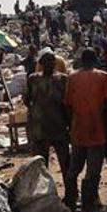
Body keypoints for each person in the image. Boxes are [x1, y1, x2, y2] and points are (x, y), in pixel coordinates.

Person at [63, 48, 107, 212]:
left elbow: (67, 105)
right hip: (97, 129)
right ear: (95, 60)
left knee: (74, 168)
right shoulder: (104, 77)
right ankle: (89, 205)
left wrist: (70, 126)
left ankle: (70, 201)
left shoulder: (72, 78)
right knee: (93, 170)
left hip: (78, 129)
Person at [25, 49, 70, 180]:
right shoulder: (33, 79)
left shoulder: (62, 79)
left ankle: (70, 194)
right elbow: (27, 99)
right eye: (47, 61)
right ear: (41, 63)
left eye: (52, 61)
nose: (50, 63)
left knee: (65, 162)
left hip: (57, 125)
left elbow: (67, 103)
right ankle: (46, 193)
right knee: (42, 164)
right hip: (43, 127)